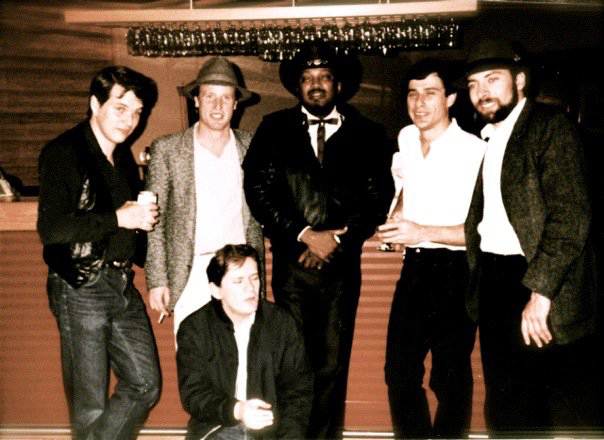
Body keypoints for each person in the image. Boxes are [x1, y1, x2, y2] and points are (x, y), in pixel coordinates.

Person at [243, 40, 394, 439]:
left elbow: (378, 198)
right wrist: (305, 235)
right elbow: (258, 190)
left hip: (340, 272)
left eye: (324, 77)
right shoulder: (273, 129)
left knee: (331, 368)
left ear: (338, 85)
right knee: (291, 366)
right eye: (307, 78)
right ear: (297, 86)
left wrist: (336, 242)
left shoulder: (368, 134)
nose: (315, 85)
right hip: (292, 269)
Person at [463, 39, 600, 437]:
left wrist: (540, 293)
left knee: (549, 410)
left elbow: (570, 217)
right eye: (473, 84)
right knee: (507, 405)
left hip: (537, 282)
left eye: (492, 79)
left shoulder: (549, 127)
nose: (481, 91)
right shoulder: (493, 135)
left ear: (520, 81)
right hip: (496, 281)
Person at [37, 66, 161, 439]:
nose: (130, 121)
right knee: (89, 405)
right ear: (95, 104)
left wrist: (153, 253)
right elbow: (52, 229)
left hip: (121, 282)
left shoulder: (121, 158)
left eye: (137, 112)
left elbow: (124, 226)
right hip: (81, 284)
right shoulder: (63, 152)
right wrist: (119, 218)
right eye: (120, 108)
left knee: (145, 384)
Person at [376, 58, 486, 439]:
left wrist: (420, 230)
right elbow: (407, 185)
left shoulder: (475, 151)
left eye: (430, 93)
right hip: (415, 268)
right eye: (413, 94)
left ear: (451, 98)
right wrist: (397, 220)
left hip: (457, 271)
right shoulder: (407, 138)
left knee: (450, 378)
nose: (419, 103)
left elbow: (479, 233)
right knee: (398, 371)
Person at [145, 56, 264, 335]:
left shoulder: (253, 147)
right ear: (196, 100)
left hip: (240, 272)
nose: (218, 106)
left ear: (236, 104)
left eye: (226, 97)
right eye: (210, 96)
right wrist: (157, 278)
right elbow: (154, 221)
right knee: (194, 357)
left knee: (244, 354)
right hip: (191, 273)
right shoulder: (168, 150)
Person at [176, 244, 313, 440]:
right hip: (218, 427)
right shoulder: (195, 329)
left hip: (271, 432)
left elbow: (298, 393)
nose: (250, 288)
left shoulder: (282, 324)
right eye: (238, 281)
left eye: (254, 278)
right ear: (216, 290)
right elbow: (194, 394)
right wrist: (238, 410)